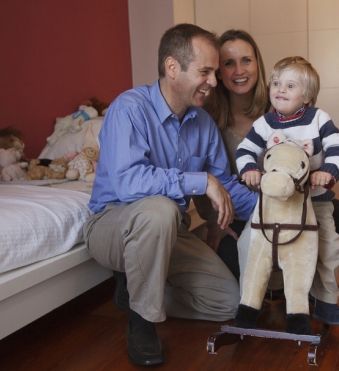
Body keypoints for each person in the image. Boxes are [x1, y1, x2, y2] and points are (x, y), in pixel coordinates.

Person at [83, 24, 257, 366]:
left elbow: (223, 184)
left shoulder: (203, 124)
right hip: (113, 225)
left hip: (168, 231)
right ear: (172, 67)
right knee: (160, 209)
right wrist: (199, 180)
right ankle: (142, 322)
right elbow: (128, 182)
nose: (213, 80)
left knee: (229, 302)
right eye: (205, 71)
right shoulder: (128, 109)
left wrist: (273, 208)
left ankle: (134, 289)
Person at [202, 29, 339, 283]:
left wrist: (324, 171)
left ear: (258, 64)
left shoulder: (281, 102)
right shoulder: (208, 118)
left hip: (293, 202)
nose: (239, 70)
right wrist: (213, 222)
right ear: (218, 71)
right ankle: (278, 278)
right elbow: (204, 172)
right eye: (228, 63)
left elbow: (315, 146)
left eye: (246, 60)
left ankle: (303, 272)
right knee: (239, 268)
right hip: (244, 211)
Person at [235, 55, 339, 326]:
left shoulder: (318, 119)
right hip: (274, 204)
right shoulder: (265, 123)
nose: (280, 90)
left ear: (307, 95)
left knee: (327, 246)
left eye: (290, 86)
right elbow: (245, 150)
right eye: (276, 83)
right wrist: (250, 169)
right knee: (253, 244)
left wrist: (327, 172)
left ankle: (325, 301)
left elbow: (338, 149)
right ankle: (251, 299)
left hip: (314, 202)